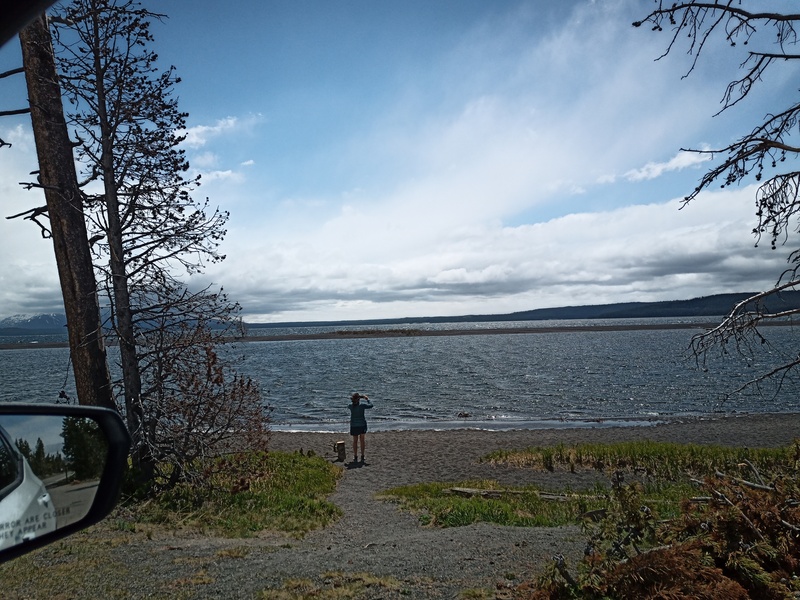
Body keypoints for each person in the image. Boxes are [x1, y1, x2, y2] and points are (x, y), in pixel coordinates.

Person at [348, 392, 373, 463]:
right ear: (359, 399)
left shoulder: (350, 406)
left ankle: (355, 455)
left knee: (355, 441)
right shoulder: (362, 406)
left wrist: (360, 397)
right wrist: (367, 399)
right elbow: (371, 405)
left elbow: (349, 405)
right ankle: (362, 455)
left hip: (354, 425)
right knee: (362, 440)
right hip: (362, 425)